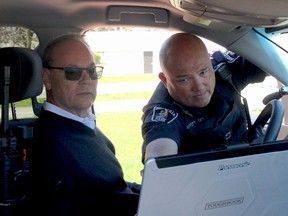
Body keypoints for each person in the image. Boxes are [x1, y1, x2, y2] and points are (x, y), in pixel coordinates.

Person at [30, 34, 140, 216]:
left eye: (92, 71)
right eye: (72, 72)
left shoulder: (81, 126)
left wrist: (154, 192)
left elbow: (114, 185)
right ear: (47, 78)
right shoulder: (50, 145)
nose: (87, 79)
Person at [141, 32, 268, 163]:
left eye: (203, 72)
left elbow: (276, 61)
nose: (198, 86)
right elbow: (159, 154)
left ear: (209, 61)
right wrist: (158, 164)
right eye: (184, 79)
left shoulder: (224, 70)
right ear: (164, 80)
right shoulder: (164, 113)